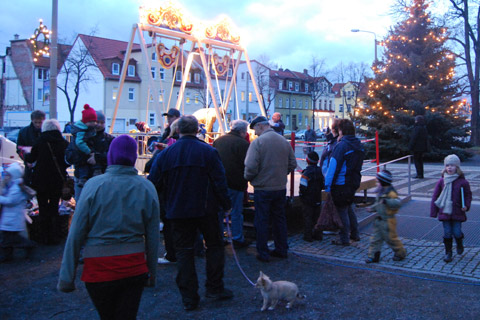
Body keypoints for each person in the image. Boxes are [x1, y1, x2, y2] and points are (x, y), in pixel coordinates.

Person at [57, 135, 160, 320]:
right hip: (134, 267)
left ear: (111, 155)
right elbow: (152, 235)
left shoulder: (93, 186)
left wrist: (67, 277)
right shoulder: (146, 187)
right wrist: (151, 272)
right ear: (134, 157)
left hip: (98, 269)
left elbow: (76, 233)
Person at [148, 115, 233, 311]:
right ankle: (214, 287)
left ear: (177, 131)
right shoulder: (209, 152)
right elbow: (220, 181)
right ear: (197, 130)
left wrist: (165, 204)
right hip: (206, 209)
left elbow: (154, 182)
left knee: (184, 252)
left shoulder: (165, 155)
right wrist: (226, 204)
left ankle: (189, 297)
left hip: (178, 210)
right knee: (214, 247)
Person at [244, 116, 297, 262]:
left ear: (260, 126)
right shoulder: (283, 141)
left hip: (263, 188)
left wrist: (250, 179)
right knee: (279, 219)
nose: (254, 133)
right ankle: (281, 249)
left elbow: (250, 167)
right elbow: (292, 164)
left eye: (255, 129)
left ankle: (263, 252)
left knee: (262, 220)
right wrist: (281, 173)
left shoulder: (258, 143)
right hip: (280, 187)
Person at [24, 119, 69, 245]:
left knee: (43, 208)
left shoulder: (40, 141)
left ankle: (44, 237)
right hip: (57, 180)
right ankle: (54, 236)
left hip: (41, 180)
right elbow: (67, 161)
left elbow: (31, 158)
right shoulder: (63, 142)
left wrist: (26, 155)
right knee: (54, 207)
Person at [324, 119, 364, 246]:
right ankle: (355, 233)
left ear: (341, 131)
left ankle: (344, 239)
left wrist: (328, 186)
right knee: (349, 208)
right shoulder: (358, 144)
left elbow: (333, 167)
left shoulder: (341, 146)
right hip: (354, 182)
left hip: (341, 184)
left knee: (342, 211)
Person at [213, 119, 251, 248]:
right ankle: (237, 238)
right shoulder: (243, 144)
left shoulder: (218, 141)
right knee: (236, 212)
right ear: (242, 131)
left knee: (218, 212)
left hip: (219, 183)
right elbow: (247, 164)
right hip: (236, 183)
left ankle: (217, 237)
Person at [430, 154, 472, 263]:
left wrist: (466, 205)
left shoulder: (463, 182)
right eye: (447, 165)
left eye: (452, 165)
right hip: (445, 211)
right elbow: (436, 196)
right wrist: (434, 211)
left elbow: (468, 195)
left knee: (457, 232)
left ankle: (459, 242)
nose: (449, 167)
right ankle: (448, 252)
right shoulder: (441, 181)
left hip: (458, 211)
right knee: (447, 232)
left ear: (457, 167)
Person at [365, 170, 406, 263]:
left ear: (383, 182)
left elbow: (397, 203)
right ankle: (373, 256)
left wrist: (387, 201)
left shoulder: (391, 193)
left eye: (378, 181)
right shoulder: (381, 192)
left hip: (388, 221)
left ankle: (400, 253)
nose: (377, 183)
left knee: (391, 239)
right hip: (379, 221)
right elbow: (377, 204)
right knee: (375, 239)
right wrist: (371, 208)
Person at [0, 163, 35, 262]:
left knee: (10, 239)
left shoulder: (16, 188)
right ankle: (8, 255)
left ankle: (29, 245)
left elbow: (10, 201)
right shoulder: (13, 186)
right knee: (8, 239)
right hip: (10, 218)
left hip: (12, 218)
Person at [68, 104, 97, 200]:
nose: (94, 124)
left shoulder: (85, 129)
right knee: (82, 166)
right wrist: (89, 151)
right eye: (91, 122)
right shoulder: (81, 131)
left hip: (82, 155)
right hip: (81, 154)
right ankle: (82, 179)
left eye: (94, 121)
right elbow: (79, 143)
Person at [16, 110, 46, 186]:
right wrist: (27, 160)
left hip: (44, 165)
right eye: (36, 122)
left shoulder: (47, 132)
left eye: (40, 122)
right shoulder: (24, 132)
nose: (38, 125)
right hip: (30, 165)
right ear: (32, 120)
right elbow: (19, 148)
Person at [299, 151, 324, 242]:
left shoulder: (306, 173)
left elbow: (303, 186)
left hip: (307, 199)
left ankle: (308, 236)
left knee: (308, 217)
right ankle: (318, 234)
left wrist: (302, 195)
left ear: (307, 160)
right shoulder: (319, 171)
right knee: (317, 217)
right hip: (317, 197)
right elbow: (322, 185)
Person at [91, 111, 114, 176]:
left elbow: (113, 155)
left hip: (105, 172)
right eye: (97, 122)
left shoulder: (110, 139)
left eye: (102, 122)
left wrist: (97, 157)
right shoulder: (84, 138)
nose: (99, 125)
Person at [409, 115, 429, 179]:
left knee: (416, 161)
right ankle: (421, 174)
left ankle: (419, 174)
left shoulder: (417, 128)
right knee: (420, 161)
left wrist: (411, 146)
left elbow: (414, 137)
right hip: (422, 147)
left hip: (416, 147)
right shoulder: (424, 128)